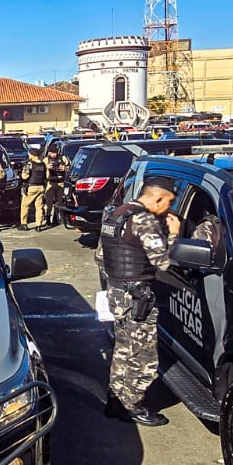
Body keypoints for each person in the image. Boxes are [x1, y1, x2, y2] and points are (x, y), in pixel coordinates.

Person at [100, 179, 181, 427]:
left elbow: (100, 256)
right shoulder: (144, 220)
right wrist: (175, 234)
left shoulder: (117, 214)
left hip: (117, 292)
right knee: (143, 355)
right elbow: (163, 262)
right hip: (137, 297)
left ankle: (116, 400)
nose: (168, 209)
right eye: (168, 203)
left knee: (123, 349)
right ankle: (133, 405)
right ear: (157, 198)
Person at [21, 143, 50, 231]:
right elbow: (47, 176)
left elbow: (24, 176)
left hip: (31, 187)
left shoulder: (29, 164)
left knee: (25, 205)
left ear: (32, 155)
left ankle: (24, 224)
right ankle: (38, 225)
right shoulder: (43, 164)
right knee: (39, 207)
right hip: (41, 187)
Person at [44, 143, 67, 227]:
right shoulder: (46, 160)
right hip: (50, 182)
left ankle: (56, 218)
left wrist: (65, 168)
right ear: (49, 153)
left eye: (55, 153)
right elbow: (41, 169)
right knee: (48, 203)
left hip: (60, 182)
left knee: (59, 202)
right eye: (52, 153)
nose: (54, 155)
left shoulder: (63, 158)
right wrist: (47, 167)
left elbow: (71, 166)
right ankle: (47, 218)